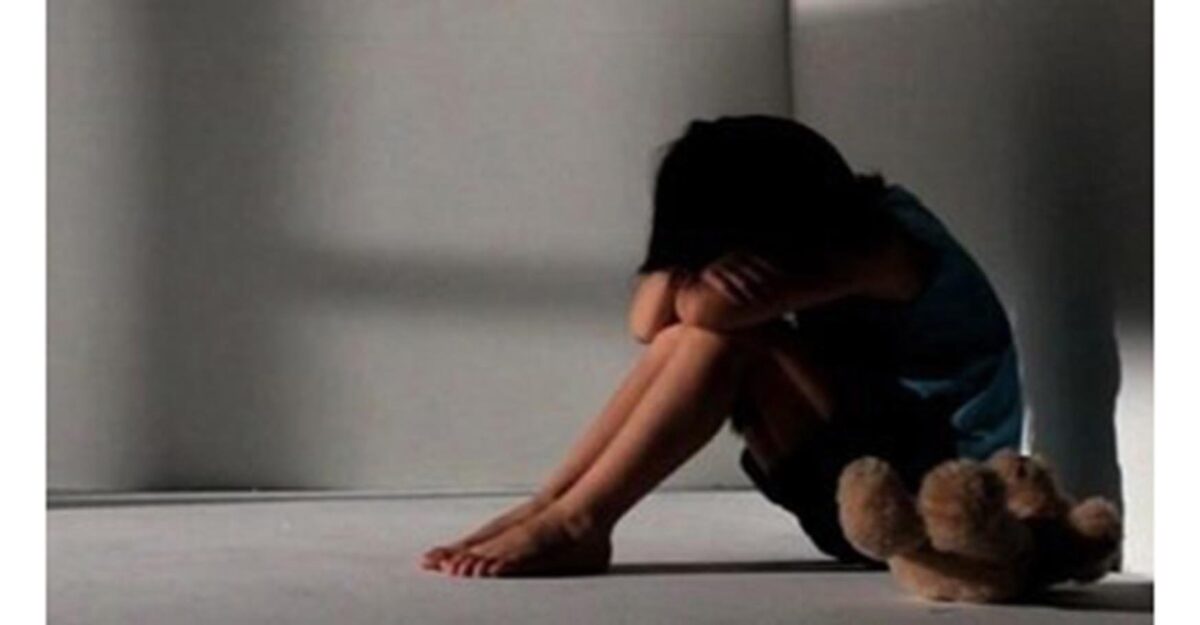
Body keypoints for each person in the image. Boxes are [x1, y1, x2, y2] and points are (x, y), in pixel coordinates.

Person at [419, 115, 1023, 577]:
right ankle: (555, 504)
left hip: (921, 507)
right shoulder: (824, 231)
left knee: (728, 341)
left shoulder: (878, 245)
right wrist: (689, 254)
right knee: (690, 336)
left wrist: (699, 276)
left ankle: (581, 521)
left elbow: (711, 311)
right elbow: (648, 322)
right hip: (854, 481)